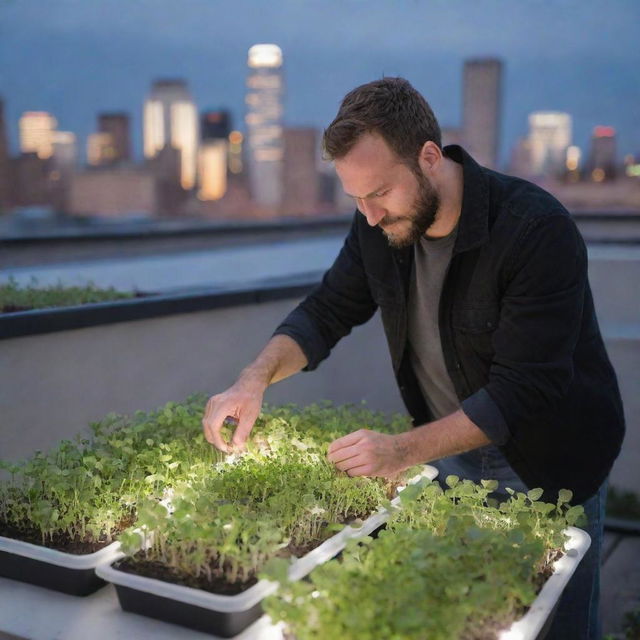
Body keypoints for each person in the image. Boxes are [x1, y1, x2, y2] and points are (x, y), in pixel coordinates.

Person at [202, 77, 625, 639]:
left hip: (549, 466)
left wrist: (399, 451)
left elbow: (524, 389)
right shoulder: (377, 225)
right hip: (448, 454)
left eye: (378, 193)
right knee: (459, 619)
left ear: (429, 157)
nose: (370, 216)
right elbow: (327, 310)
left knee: (556, 629)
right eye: (356, 199)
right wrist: (251, 381)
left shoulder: (534, 230)